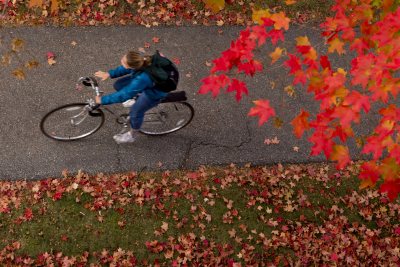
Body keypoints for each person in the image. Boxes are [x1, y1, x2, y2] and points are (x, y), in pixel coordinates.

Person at [95, 51, 168, 144]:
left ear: (132, 66)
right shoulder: (141, 60)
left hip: (155, 92)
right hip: (149, 81)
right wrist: (110, 74)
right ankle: (136, 97)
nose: (121, 60)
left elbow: (124, 94)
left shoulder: (142, 78)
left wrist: (102, 100)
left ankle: (132, 135)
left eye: (123, 61)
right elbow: (126, 68)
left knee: (135, 112)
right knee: (119, 84)